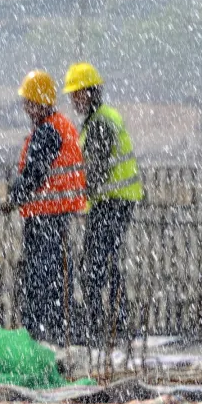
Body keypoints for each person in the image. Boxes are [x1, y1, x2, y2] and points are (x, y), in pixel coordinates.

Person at [63, 62, 143, 351]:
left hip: (112, 202)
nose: (74, 100)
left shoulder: (99, 123)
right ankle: (113, 324)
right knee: (107, 264)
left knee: (95, 266)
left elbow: (95, 172)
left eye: (78, 94)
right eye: (73, 95)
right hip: (116, 201)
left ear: (91, 92)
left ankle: (98, 326)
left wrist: (74, 196)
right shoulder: (101, 118)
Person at [7, 70, 87, 344]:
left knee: (41, 279)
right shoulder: (61, 126)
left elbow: (33, 174)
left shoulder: (47, 132)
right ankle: (59, 331)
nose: (25, 108)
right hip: (57, 215)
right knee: (57, 277)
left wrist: (13, 197)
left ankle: (41, 335)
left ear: (38, 102)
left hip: (45, 217)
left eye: (28, 102)